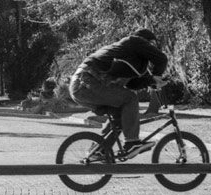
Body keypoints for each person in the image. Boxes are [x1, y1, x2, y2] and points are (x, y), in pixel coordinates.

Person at [69, 28, 168, 157]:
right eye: (151, 45)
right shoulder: (134, 41)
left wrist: (152, 80)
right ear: (147, 42)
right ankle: (131, 142)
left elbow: (132, 84)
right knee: (130, 98)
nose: (152, 49)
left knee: (121, 116)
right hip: (87, 82)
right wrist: (157, 75)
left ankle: (99, 149)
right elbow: (161, 59)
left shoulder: (127, 55)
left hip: (82, 86)